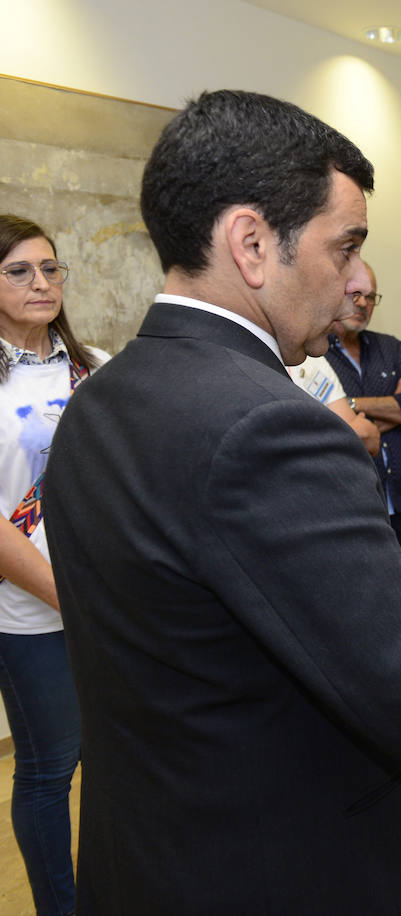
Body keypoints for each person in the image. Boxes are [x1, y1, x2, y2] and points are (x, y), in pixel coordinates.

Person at [42, 89, 401, 916]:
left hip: (148, 862)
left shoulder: (97, 399)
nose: (351, 285)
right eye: (344, 249)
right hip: (286, 871)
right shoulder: (271, 428)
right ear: (252, 244)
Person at [0, 214, 107, 916]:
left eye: (50, 268)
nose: (41, 282)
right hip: (28, 614)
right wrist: (72, 598)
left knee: (116, 761)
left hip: (109, 601)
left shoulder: (94, 364)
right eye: (19, 271)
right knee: (49, 769)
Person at [326, 263, 401, 584]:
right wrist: (397, 405)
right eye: (355, 294)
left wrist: (351, 406)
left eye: (371, 296)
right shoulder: (314, 354)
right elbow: (328, 427)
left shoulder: (391, 348)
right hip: (350, 513)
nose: (363, 303)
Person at [290, 352, 381, 454]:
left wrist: (328, 439)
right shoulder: (274, 371)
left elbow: (365, 438)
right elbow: (289, 448)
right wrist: (345, 435)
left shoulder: (311, 358)